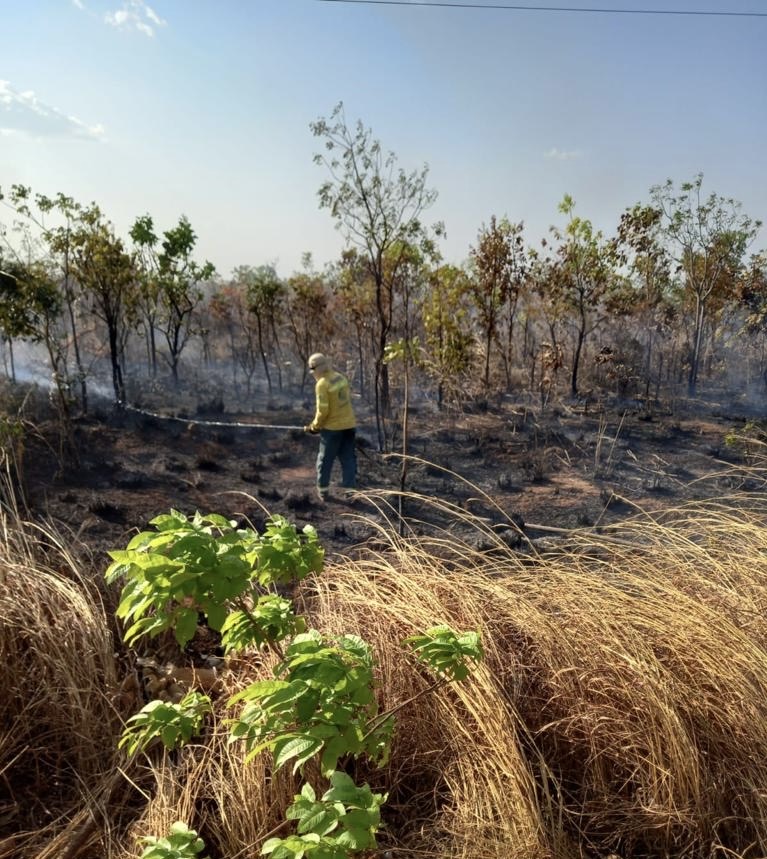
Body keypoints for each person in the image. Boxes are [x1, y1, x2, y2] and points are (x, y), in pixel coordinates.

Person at [304, 352, 357, 502]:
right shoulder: (340, 377)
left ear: (316, 369)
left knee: (325, 460)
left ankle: (323, 491)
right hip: (349, 426)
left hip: (332, 430)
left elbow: (323, 411)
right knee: (348, 459)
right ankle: (351, 493)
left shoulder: (322, 384)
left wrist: (314, 427)